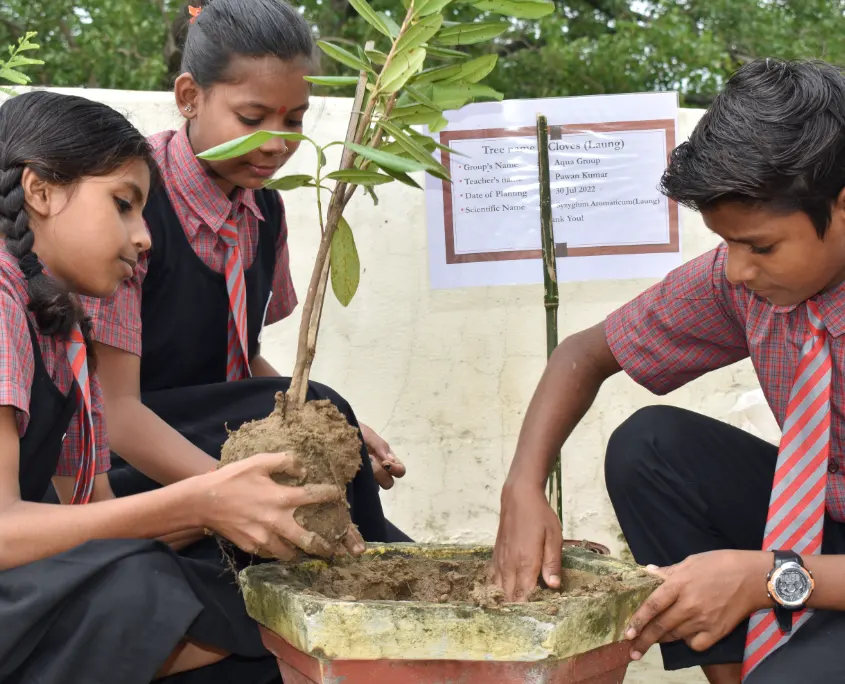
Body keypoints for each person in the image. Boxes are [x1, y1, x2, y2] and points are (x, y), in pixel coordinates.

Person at [491, 58, 845, 684]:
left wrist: (767, 576)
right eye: (726, 243)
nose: (736, 270)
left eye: (759, 246)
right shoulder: (745, 284)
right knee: (650, 446)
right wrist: (524, 486)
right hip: (824, 520)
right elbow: (583, 353)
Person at [0, 90, 361, 684]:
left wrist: (257, 520)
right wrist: (204, 498)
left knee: (223, 592)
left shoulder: (61, 328)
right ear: (40, 192)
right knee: (142, 586)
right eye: (124, 205)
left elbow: (95, 514)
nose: (144, 237)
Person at [79, 0, 411, 543]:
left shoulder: (263, 209)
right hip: (129, 455)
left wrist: (328, 435)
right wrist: (232, 493)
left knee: (328, 409)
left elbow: (241, 357)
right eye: (252, 119)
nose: (277, 144)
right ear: (190, 97)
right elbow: (115, 413)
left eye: (295, 120)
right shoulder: (136, 204)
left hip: (216, 439)